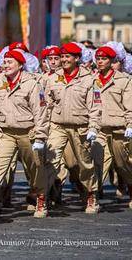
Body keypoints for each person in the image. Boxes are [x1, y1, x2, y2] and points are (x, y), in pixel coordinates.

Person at [0, 49, 54, 218]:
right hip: (6, 132)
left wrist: (40, 135)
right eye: (5, 61)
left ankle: (40, 198)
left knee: (35, 168)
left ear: (20, 65)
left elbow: (40, 111)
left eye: (10, 62)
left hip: (28, 132)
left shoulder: (31, 83)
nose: (6, 65)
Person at [45, 42, 101, 213]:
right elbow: (47, 104)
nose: (63, 60)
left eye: (67, 57)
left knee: (84, 164)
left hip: (81, 127)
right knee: (50, 159)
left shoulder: (90, 79)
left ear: (77, 58)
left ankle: (91, 194)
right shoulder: (53, 78)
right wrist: (44, 126)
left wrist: (93, 128)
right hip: (58, 125)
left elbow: (95, 106)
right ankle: (43, 196)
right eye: (62, 57)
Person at [91, 46, 132, 207]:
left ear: (112, 61)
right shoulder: (92, 79)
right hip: (100, 128)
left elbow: (129, 105)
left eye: (104, 59)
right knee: (97, 164)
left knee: (122, 165)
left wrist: (130, 124)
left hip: (118, 129)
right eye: (98, 59)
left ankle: (130, 186)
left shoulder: (124, 80)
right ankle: (92, 196)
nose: (100, 62)